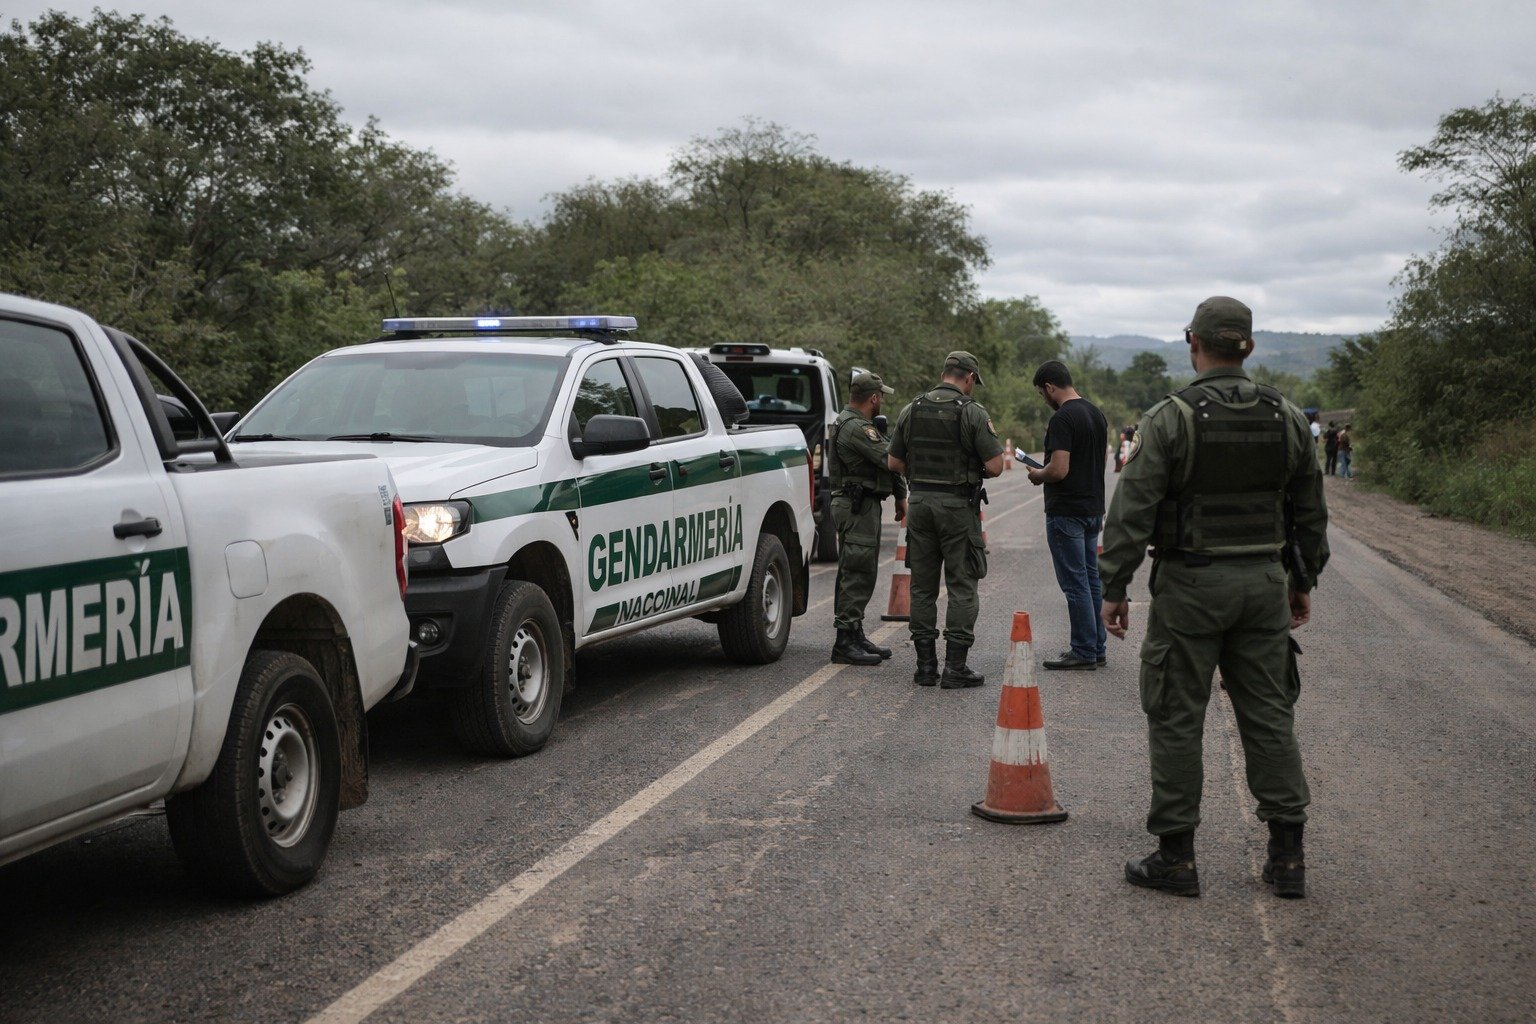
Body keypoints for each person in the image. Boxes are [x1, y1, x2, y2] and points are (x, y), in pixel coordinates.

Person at [1098, 296, 1329, 899]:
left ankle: (1176, 858)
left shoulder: (1170, 418)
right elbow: (1310, 508)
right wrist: (1302, 581)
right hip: (1263, 586)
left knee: (1177, 715)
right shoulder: (1285, 417)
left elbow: (1132, 510)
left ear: (1191, 341)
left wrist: (1114, 587)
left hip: (1192, 588)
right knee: (1270, 715)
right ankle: (1288, 857)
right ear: (1247, 346)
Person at [887, 351, 1006, 688]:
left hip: (920, 503)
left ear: (944, 373)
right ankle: (955, 668)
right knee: (962, 587)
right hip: (956, 507)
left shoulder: (912, 409)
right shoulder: (971, 412)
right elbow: (996, 466)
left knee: (922, 588)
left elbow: (894, 463)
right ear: (968, 378)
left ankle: (925, 667)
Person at [1026, 360, 1109, 671]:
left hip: (1067, 512)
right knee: (1091, 580)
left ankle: (1084, 650)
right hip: (1092, 508)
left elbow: (1059, 470)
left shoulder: (1063, 419)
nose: (1043, 399)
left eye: (1041, 393)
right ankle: (1096, 646)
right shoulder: (1096, 414)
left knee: (1074, 583)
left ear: (1049, 387)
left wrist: (1038, 474)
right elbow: (1098, 462)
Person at [828, 371, 908, 665]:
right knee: (857, 571)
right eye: (881, 396)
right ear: (873, 398)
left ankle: (855, 631)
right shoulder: (855, 427)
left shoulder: (854, 423)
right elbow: (890, 458)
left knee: (858, 568)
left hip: (860, 503)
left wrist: (900, 495)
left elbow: (887, 468)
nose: (883, 400)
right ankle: (844, 641)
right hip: (855, 505)